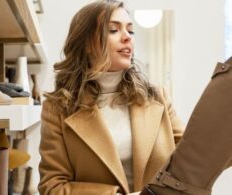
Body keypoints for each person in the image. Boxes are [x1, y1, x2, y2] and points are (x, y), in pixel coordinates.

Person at [38, 0, 185, 194]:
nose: (127, 38)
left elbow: (191, 159)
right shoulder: (57, 108)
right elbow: (52, 186)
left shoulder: (158, 97)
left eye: (130, 31)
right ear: (87, 43)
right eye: (114, 30)